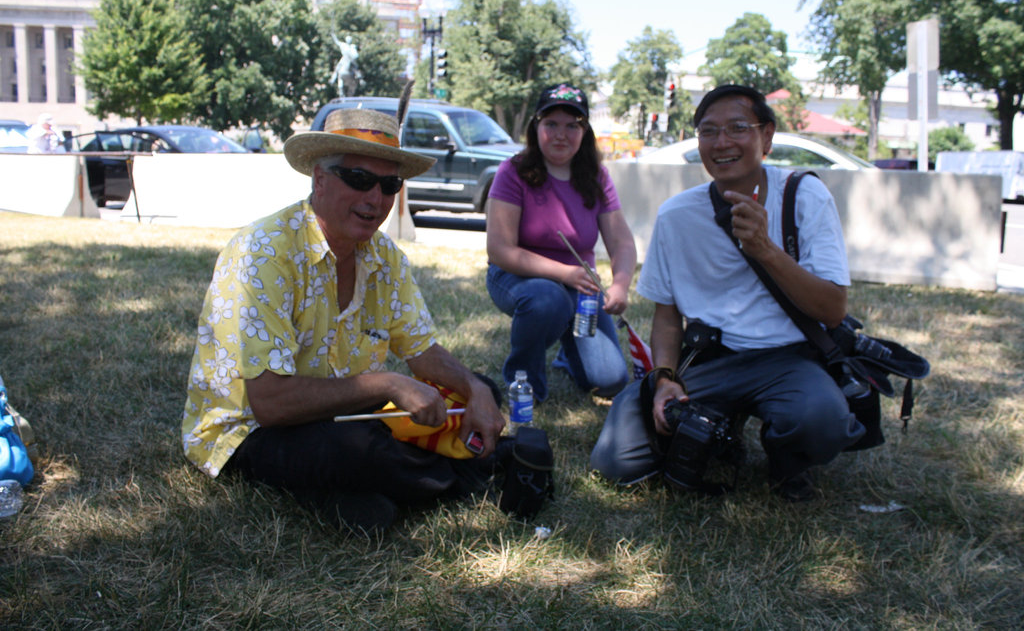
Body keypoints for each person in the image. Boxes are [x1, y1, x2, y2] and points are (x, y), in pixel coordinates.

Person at [181, 108, 506, 533]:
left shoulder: (385, 257)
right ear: (319, 179)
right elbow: (272, 405)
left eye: (390, 184)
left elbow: (422, 351)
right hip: (250, 431)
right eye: (358, 179)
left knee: (475, 389)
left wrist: (477, 390)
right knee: (355, 448)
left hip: (344, 409)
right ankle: (460, 476)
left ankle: (369, 493)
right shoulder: (261, 254)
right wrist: (391, 383)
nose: (375, 198)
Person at [590, 84, 864, 501]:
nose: (722, 143)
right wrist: (665, 378)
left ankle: (787, 460)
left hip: (788, 357)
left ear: (767, 137)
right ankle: (718, 425)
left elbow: (832, 309)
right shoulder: (677, 215)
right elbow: (667, 314)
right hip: (709, 357)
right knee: (617, 462)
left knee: (821, 421)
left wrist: (766, 249)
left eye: (738, 128)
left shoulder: (804, 197)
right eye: (708, 131)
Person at [485, 83, 636, 402]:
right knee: (547, 301)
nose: (560, 134)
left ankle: (567, 355)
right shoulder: (512, 171)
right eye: (551, 123)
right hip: (518, 278)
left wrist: (620, 284)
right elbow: (499, 250)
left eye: (572, 125)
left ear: (585, 132)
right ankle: (524, 382)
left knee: (610, 381)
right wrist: (563, 273)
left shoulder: (597, 176)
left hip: (579, 288)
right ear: (536, 126)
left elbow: (621, 241)